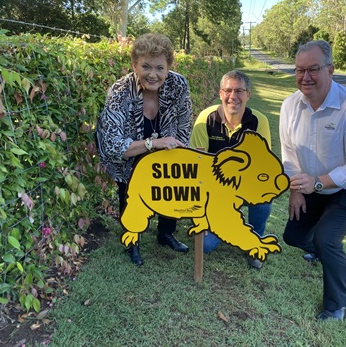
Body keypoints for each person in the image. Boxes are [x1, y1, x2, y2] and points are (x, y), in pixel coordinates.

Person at [279, 40, 346, 320]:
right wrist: (297, 189)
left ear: (331, 69)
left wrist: (318, 183)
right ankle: (325, 251)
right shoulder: (290, 106)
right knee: (294, 236)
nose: (305, 77)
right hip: (311, 184)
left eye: (314, 69)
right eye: (300, 70)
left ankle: (338, 305)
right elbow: (289, 153)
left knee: (327, 239)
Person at [96, 33, 193, 267]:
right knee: (129, 194)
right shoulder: (119, 91)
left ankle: (166, 233)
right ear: (134, 65)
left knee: (171, 189)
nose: (153, 74)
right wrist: (152, 144)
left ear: (169, 67)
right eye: (146, 66)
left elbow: (184, 125)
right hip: (128, 157)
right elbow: (112, 145)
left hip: (167, 155)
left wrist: (171, 154)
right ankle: (133, 240)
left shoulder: (178, 85)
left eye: (160, 67)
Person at [190, 70, 272, 270]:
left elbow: (261, 166)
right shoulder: (205, 119)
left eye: (239, 91)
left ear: (248, 95)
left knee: (264, 198)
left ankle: (254, 240)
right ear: (220, 94)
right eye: (227, 90)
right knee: (206, 245)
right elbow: (197, 169)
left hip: (245, 187)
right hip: (215, 192)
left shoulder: (259, 122)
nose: (232, 96)